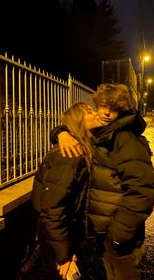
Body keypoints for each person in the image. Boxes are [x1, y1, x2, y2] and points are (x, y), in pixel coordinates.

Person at [50, 83, 154, 280]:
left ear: (123, 110)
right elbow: (76, 124)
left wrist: (117, 236)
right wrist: (60, 132)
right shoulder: (102, 133)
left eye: (114, 109)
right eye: (103, 107)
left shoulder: (124, 138)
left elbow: (143, 190)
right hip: (103, 234)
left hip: (119, 240)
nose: (107, 113)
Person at [31, 102, 103, 280]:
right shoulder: (68, 154)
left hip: (70, 233)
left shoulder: (85, 146)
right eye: (89, 111)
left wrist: (59, 132)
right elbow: (52, 208)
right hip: (61, 236)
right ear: (78, 120)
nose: (95, 113)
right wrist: (63, 256)